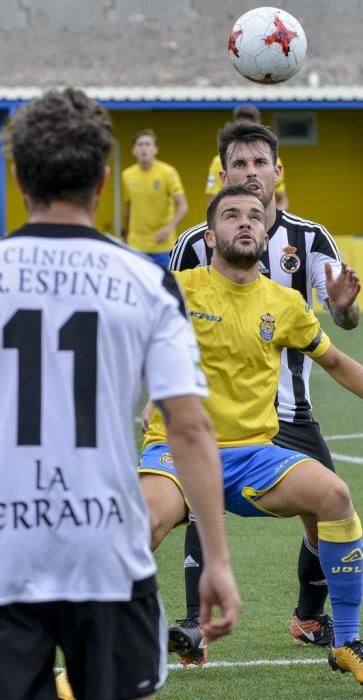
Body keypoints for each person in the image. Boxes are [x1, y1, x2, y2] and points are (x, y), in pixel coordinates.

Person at [140, 184, 363, 686]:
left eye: (255, 215)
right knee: (141, 526)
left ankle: (345, 642)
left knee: (335, 496)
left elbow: (335, 360)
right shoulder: (177, 288)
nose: (245, 222)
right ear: (211, 237)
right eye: (231, 216)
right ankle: (102, 649)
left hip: (254, 454)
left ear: (267, 230)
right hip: (178, 449)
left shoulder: (285, 303)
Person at [0, 88, 239, 700]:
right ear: (106, 180)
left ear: (17, 176)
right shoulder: (148, 282)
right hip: (104, 550)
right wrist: (216, 558)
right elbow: (188, 428)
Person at [166, 119, 360, 665]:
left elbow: (343, 324)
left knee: (328, 507)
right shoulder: (193, 244)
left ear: (278, 171)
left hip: (292, 406)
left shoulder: (310, 238)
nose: (250, 174)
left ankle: (308, 615)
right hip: (217, 408)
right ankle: (194, 626)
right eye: (239, 166)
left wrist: (344, 305)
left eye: (259, 164)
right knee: (203, 504)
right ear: (223, 174)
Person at [122, 129, 188, 268]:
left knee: (164, 287)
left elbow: (183, 206)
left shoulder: (168, 172)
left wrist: (169, 228)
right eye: (140, 144)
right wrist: (127, 235)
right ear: (134, 150)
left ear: (155, 149)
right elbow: (128, 207)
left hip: (162, 245)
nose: (143, 148)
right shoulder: (127, 175)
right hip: (136, 245)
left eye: (147, 144)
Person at [205, 104, 289, 210]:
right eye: (239, 164)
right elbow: (212, 202)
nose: (251, 172)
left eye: (259, 163)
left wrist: (270, 221)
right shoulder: (218, 162)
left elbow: (282, 199)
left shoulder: (275, 161)